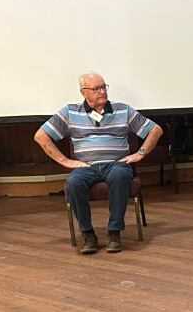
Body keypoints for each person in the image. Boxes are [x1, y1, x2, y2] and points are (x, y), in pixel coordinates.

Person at [33, 72, 163, 254]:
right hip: (87, 166)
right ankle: (88, 234)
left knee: (119, 175)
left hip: (116, 164)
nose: (102, 92)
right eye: (96, 88)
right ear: (83, 92)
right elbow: (40, 136)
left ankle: (114, 232)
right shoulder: (70, 111)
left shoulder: (123, 110)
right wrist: (65, 161)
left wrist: (140, 154)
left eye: (103, 87)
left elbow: (155, 130)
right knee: (73, 183)